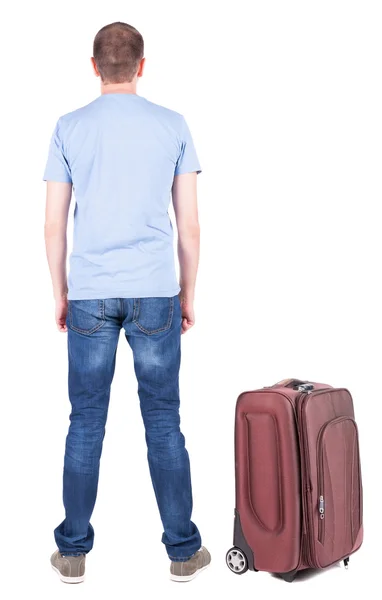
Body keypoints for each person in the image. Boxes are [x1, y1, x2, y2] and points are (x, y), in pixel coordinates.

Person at [43, 21, 210, 584]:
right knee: (164, 420)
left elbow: (52, 227)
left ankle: (71, 553)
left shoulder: (69, 128)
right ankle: (184, 553)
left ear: (94, 66)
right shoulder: (173, 125)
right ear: (142, 65)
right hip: (155, 289)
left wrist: (61, 293)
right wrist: (188, 293)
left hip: (89, 291)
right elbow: (190, 228)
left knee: (85, 421)